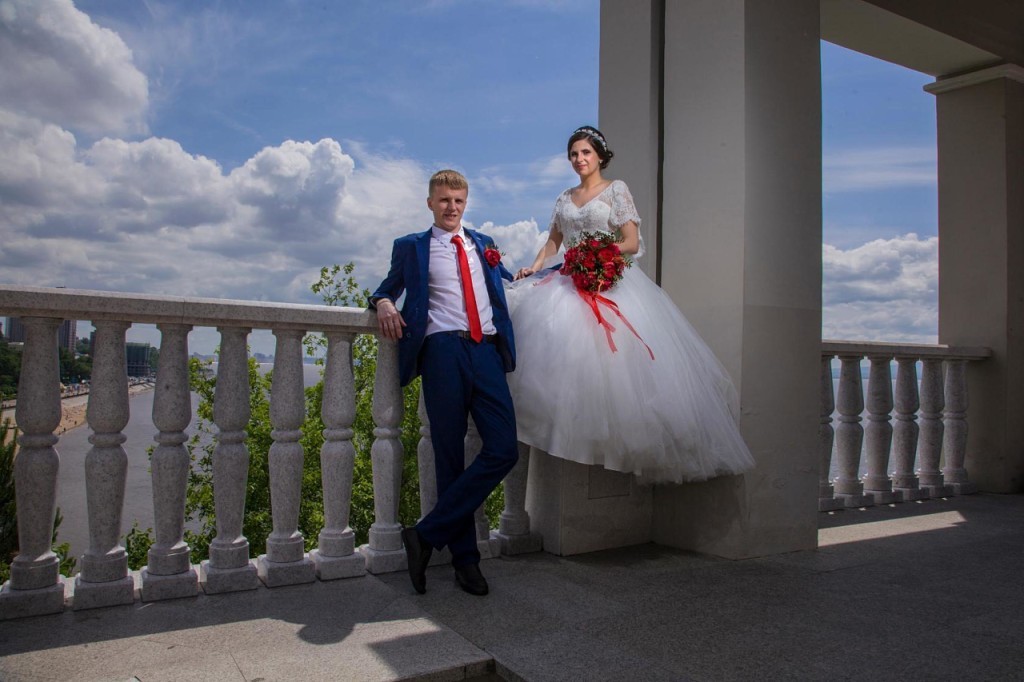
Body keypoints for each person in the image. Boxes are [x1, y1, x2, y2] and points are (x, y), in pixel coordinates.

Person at [508, 126, 755, 483]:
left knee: (615, 366)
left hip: (609, 281)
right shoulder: (564, 198)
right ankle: (569, 432)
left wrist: (597, 253)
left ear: (600, 156)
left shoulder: (616, 189)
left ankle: (607, 443)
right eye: (574, 154)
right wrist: (535, 266)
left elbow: (631, 241)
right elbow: (554, 242)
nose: (579, 159)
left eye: (585, 152)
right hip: (569, 279)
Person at [371, 169, 518, 597]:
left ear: (465, 203)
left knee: (504, 449)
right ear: (430, 203)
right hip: (442, 354)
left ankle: (425, 533)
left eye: (458, 201)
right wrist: (383, 303)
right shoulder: (412, 247)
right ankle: (465, 561)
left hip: (486, 352)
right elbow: (385, 289)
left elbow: (508, 284)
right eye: (444, 200)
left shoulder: (484, 244)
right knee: (448, 456)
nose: (451, 207)